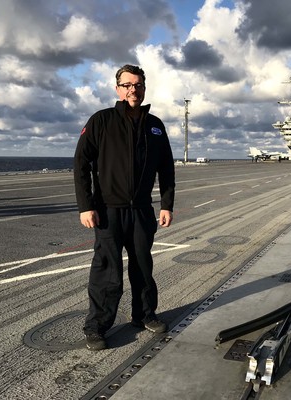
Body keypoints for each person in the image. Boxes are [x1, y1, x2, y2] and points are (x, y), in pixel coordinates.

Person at [74, 64, 175, 351]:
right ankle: (97, 326)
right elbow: (81, 163)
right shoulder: (101, 120)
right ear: (118, 89)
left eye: (138, 85)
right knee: (107, 270)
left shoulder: (155, 125)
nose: (133, 90)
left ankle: (144, 314)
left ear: (144, 88)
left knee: (143, 266)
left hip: (141, 210)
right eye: (127, 85)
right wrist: (85, 206)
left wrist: (166, 204)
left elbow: (166, 168)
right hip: (108, 211)